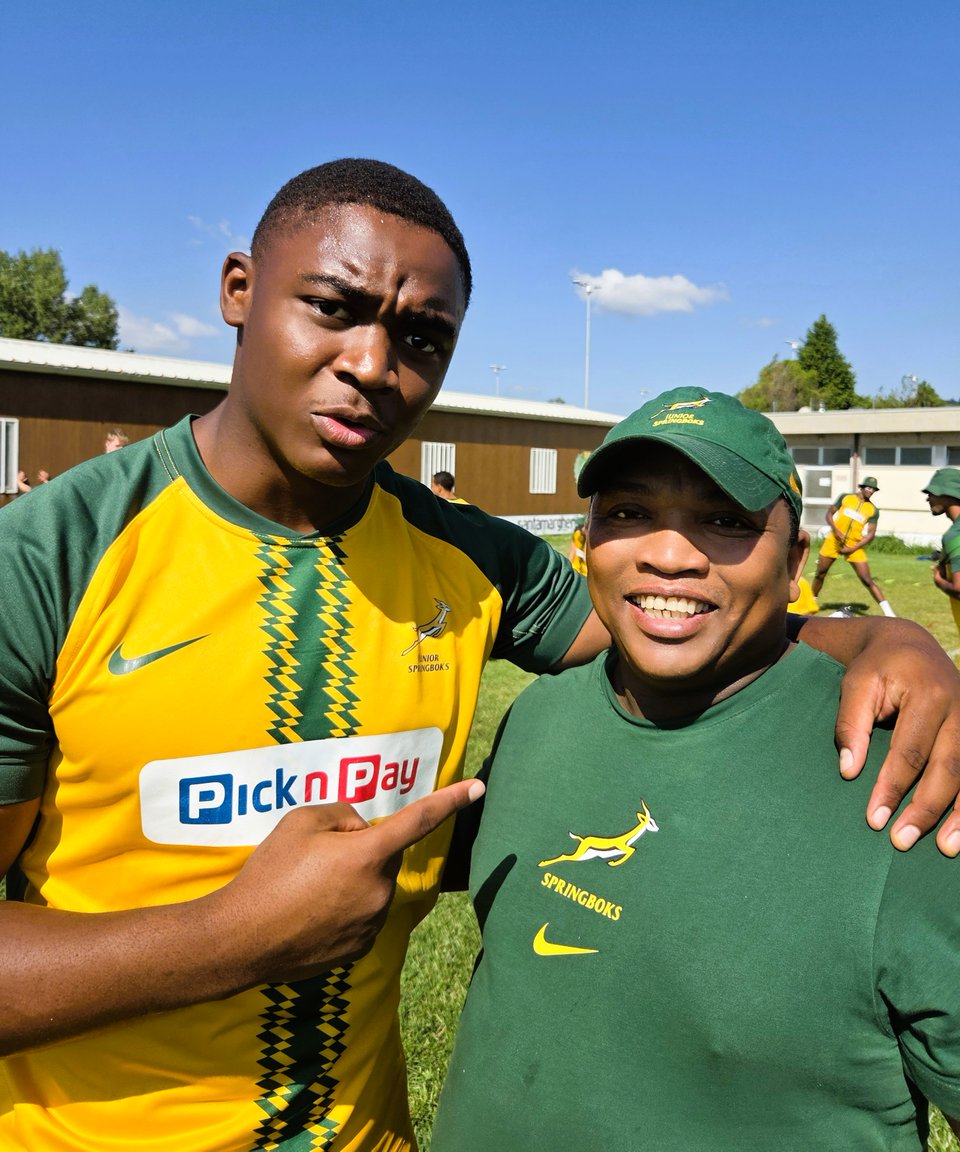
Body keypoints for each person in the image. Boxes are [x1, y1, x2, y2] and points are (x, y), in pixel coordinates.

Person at [0, 165, 957, 1152]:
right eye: (333, 307)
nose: (373, 363)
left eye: (422, 338)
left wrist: (887, 638)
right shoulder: (47, 562)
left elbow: (671, 617)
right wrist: (227, 941)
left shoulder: (469, 557)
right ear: (239, 290)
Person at [432, 388, 960, 1152]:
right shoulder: (538, 719)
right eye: (627, 513)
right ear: (586, 539)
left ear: (795, 565)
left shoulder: (896, 783)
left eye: (724, 521)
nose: (669, 554)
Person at [812, 475, 896, 615]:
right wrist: (836, 530)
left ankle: (889, 613)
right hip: (833, 541)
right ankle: (811, 603)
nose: (871, 491)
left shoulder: (873, 510)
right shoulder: (845, 497)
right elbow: (829, 514)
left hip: (854, 546)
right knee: (820, 574)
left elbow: (870, 534)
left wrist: (853, 548)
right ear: (862, 487)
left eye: (873, 489)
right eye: (868, 488)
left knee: (867, 579)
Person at [923, 467, 960, 640]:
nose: (928, 498)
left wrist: (939, 580)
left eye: (932, 493)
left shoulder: (956, 534)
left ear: (948, 493)